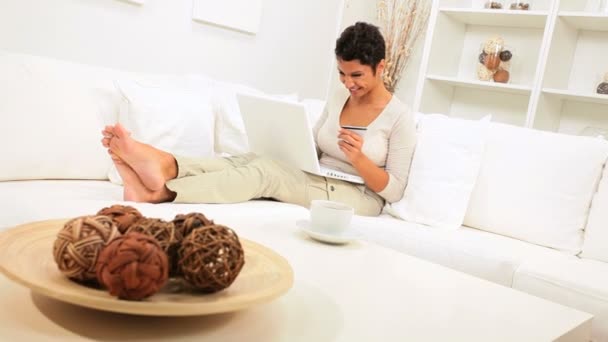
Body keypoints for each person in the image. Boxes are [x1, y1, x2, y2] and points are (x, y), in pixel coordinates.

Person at [101, 22, 417, 216]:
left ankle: (161, 193)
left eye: (357, 75)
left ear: (381, 68)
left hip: (359, 196)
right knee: (249, 159)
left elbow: (395, 190)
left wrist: (359, 159)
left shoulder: (400, 118)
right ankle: (167, 164)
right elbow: (315, 146)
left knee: (266, 173)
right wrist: (293, 146)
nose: (348, 83)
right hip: (321, 176)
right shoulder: (338, 98)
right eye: (342, 74)